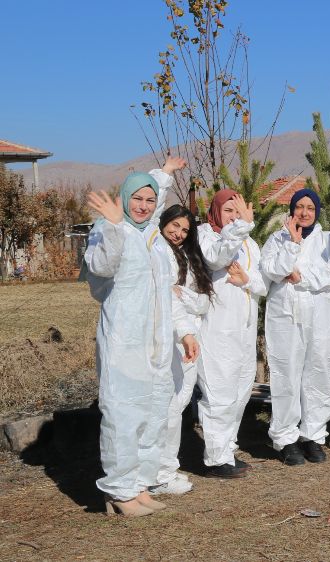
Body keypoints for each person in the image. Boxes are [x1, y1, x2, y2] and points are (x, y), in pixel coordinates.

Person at [85, 157, 197, 516]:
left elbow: (165, 292)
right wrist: (116, 227)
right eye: (138, 198)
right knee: (124, 414)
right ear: (124, 197)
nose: (144, 205)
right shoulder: (107, 228)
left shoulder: (151, 235)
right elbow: (102, 268)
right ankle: (118, 491)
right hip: (125, 342)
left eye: (150, 201)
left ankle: (140, 484)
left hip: (157, 344)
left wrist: (183, 333)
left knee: (153, 415)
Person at [260, 189, 330, 465]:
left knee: (320, 371)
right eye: (299, 206)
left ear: (317, 211)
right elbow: (270, 269)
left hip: (321, 317)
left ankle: (313, 434)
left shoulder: (328, 240)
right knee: (287, 373)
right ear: (292, 209)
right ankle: (286, 438)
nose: (305, 212)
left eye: (310, 207)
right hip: (285, 316)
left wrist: (300, 276)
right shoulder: (278, 238)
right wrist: (292, 247)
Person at [197, 189, 266, 478]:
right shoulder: (207, 236)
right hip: (217, 330)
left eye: (238, 211)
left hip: (245, 330)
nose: (234, 217)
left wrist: (247, 280)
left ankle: (227, 449)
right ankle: (215, 458)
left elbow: (264, 285)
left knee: (239, 393)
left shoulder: (249, 243)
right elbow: (215, 259)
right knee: (219, 394)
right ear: (215, 211)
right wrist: (240, 228)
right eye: (228, 211)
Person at [149, 204, 215, 495]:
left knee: (179, 402)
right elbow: (164, 296)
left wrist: (182, 294)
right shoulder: (156, 253)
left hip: (190, 337)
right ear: (163, 223)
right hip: (168, 338)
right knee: (169, 405)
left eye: (184, 230)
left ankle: (167, 469)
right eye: (174, 225)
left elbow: (201, 302)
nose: (177, 233)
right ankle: (159, 473)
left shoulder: (188, 257)